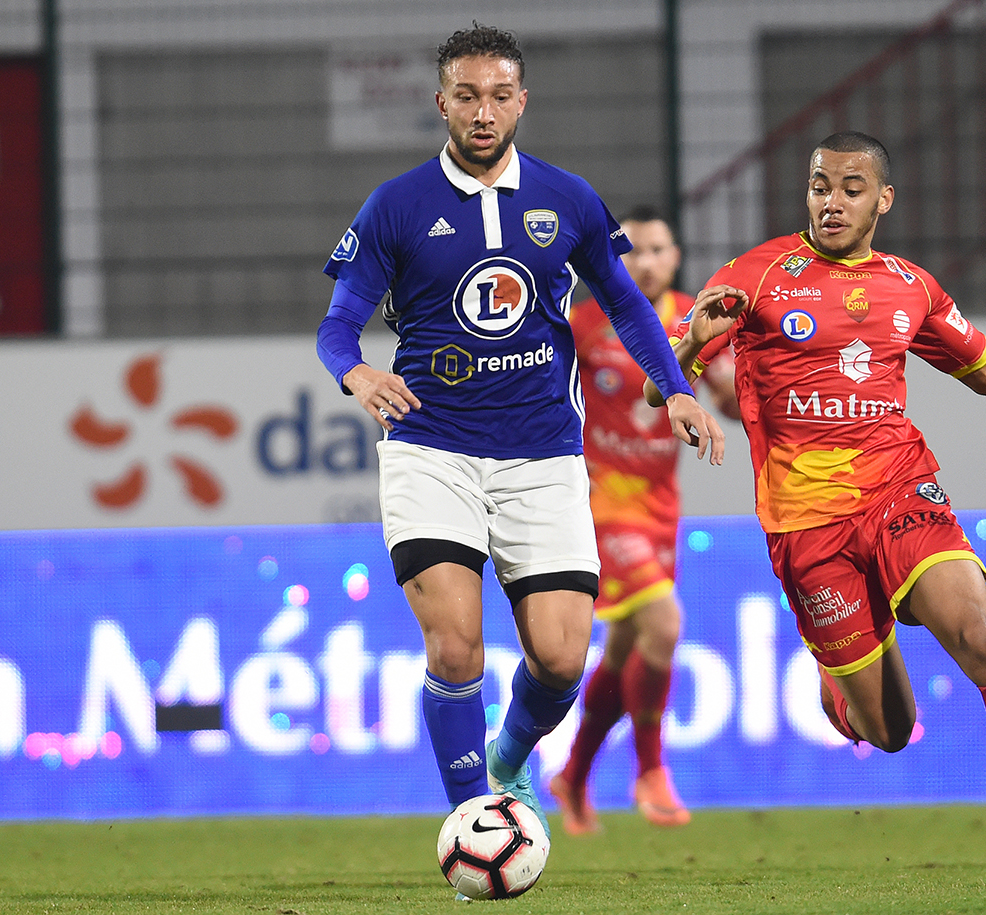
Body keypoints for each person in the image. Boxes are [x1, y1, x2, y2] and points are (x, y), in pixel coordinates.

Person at [647, 131, 986, 885]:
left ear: (883, 200)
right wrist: (691, 349)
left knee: (978, 632)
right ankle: (842, 681)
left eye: (851, 188)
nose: (831, 201)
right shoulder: (755, 275)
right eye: (820, 185)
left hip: (899, 490)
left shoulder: (908, 286)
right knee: (889, 729)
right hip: (806, 527)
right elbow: (659, 387)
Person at [315, 23, 726, 863]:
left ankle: (509, 754)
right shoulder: (395, 204)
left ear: (521, 102)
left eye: (500, 95)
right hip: (431, 448)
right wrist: (354, 375)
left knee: (561, 655)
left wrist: (678, 389)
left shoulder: (568, 198)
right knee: (455, 642)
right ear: (442, 102)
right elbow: (337, 326)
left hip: (542, 455)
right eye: (466, 94)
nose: (483, 110)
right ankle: (476, 817)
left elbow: (626, 304)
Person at [549, 208, 739, 834]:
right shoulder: (580, 325)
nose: (644, 262)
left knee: (626, 644)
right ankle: (651, 771)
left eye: (656, 250)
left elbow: (732, 401)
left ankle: (574, 776)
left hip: (661, 508)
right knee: (664, 621)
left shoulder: (696, 318)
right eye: (630, 251)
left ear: (676, 256)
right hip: (600, 502)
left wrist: (740, 374)